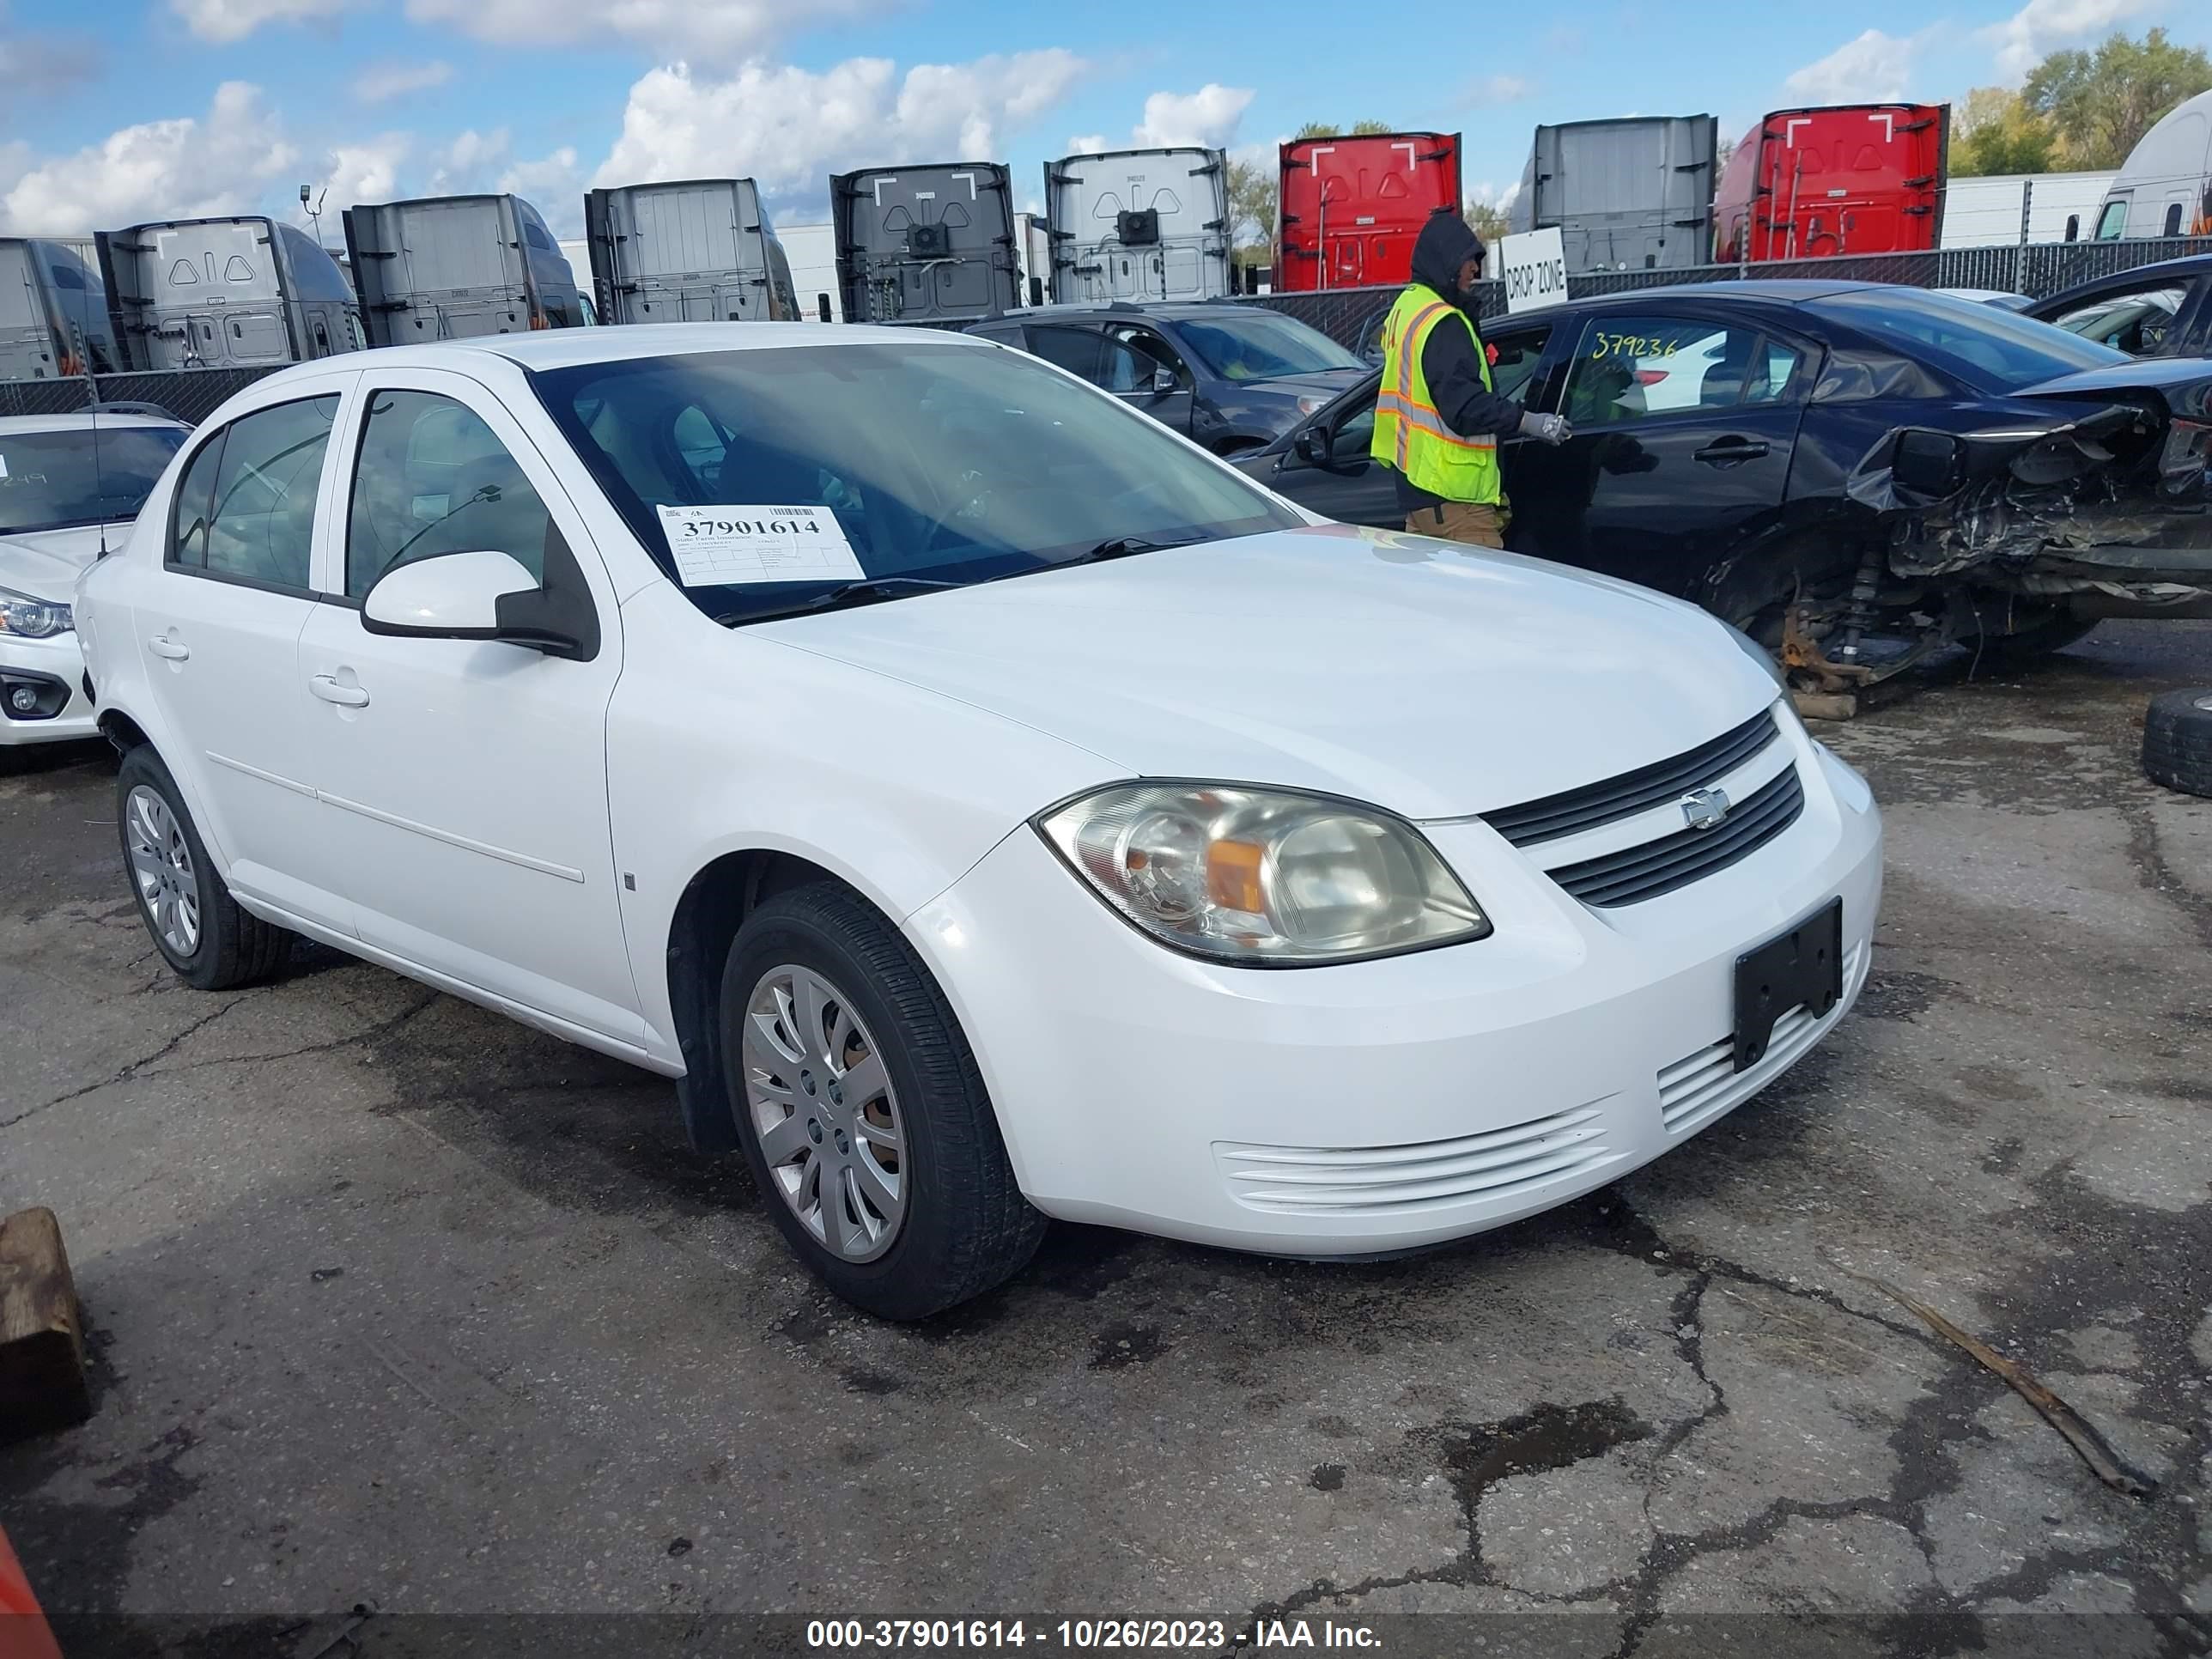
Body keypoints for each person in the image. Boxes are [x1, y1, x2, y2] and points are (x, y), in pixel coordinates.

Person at [1371, 211, 1570, 548]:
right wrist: (1529, 422)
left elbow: (1428, 382)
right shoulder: (1443, 322)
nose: (1475, 269)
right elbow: (1465, 407)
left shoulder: (1408, 308)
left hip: (1420, 492)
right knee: (1485, 599)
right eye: (1469, 260)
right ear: (1447, 260)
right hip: (1455, 499)